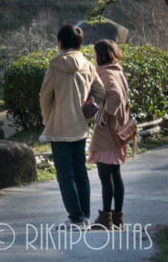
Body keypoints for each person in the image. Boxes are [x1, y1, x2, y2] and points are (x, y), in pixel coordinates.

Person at [39, 23, 105, 228]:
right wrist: (88, 105)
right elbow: (101, 92)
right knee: (80, 172)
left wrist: (48, 118)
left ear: (60, 43)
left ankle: (75, 218)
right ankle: (84, 215)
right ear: (79, 43)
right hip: (80, 127)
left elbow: (45, 97)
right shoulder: (87, 65)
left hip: (59, 128)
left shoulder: (55, 66)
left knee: (65, 174)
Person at [88, 39, 131, 230]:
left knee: (106, 177)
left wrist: (105, 114)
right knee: (115, 175)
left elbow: (115, 94)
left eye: (95, 53)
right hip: (119, 130)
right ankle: (118, 216)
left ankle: (106, 219)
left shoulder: (104, 72)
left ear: (101, 55)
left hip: (108, 132)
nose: (93, 56)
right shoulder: (118, 70)